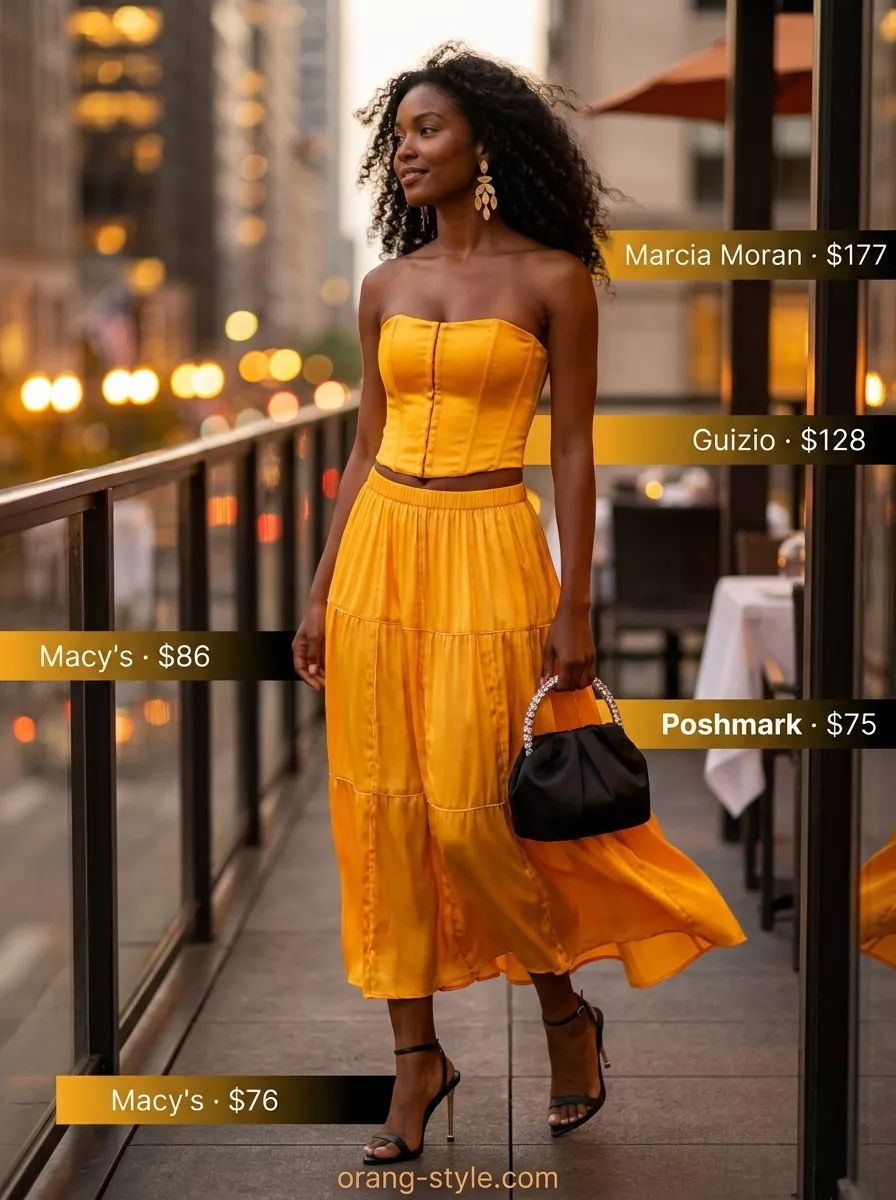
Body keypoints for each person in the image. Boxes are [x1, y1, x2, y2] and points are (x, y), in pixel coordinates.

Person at [292, 42, 746, 1166]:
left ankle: (563, 1016)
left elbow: (575, 450)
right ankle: (415, 1063)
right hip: (380, 556)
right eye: (397, 135)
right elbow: (364, 446)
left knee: (474, 815)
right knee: (384, 818)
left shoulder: (553, 280)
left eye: (427, 129)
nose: (405, 151)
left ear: (483, 145)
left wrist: (575, 602)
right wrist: (321, 583)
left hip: (491, 548)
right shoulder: (384, 287)